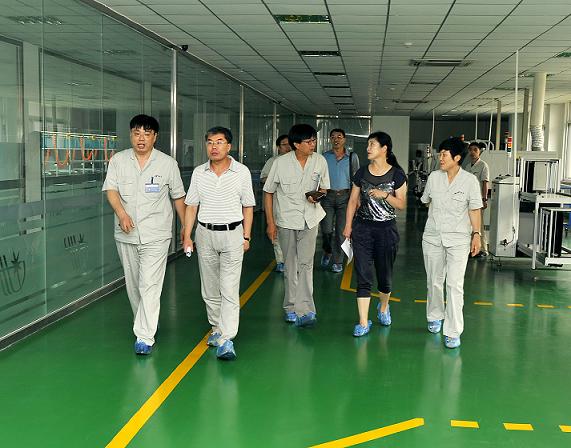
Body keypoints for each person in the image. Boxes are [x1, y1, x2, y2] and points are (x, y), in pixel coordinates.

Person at [102, 114, 186, 355]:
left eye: (146, 134)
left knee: (150, 284)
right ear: (131, 135)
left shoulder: (167, 164)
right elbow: (111, 190)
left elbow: (178, 197)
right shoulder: (118, 160)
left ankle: (144, 336)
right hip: (126, 234)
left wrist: (185, 228)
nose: (141, 138)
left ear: (155, 137)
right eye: (137, 133)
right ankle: (147, 321)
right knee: (134, 285)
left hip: (157, 234)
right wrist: (121, 214)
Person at [183, 126, 255, 361]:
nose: (214, 147)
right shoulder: (199, 173)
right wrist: (187, 235)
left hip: (233, 234)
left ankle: (226, 339)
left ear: (229, 146)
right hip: (205, 234)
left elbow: (248, 206)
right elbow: (191, 206)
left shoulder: (241, 172)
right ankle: (216, 327)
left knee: (229, 288)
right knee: (210, 288)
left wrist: (246, 236)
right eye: (210, 142)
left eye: (219, 142)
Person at [263, 124, 330, 326]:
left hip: (310, 219)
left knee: (306, 264)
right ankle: (291, 307)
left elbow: (324, 188)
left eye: (314, 140)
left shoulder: (320, 161)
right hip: (286, 220)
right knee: (290, 265)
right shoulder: (280, 163)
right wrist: (270, 223)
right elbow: (268, 193)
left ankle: (306, 310)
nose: (313, 144)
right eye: (309, 141)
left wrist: (317, 196)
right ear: (296, 144)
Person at [342, 132, 407, 337]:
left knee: (384, 277)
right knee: (363, 275)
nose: (368, 148)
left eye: (372, 144)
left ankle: (383, 307)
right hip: (362, 229)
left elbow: (401, 204)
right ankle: (363, 321)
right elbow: (353, 201)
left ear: (384, 149)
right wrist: (348, 226)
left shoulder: (397, 175)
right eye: (368, 144)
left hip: (386, 231)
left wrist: (384, 195)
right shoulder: (361, 173)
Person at [421, 137, 483, 349]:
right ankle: (434, 316)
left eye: (444, 155)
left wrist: (477, 235)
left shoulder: (469, 181)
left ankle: (453, 331)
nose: (440, 158)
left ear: (456, 158)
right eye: (440, 154)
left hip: (458, 239)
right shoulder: (433, 178)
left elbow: (474, 210)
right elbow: (426, 201)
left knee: (455, 285)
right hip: (433, 237)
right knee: (434, 281)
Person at [321, 128, 360, 273]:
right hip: (327, 197)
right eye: (333, 137)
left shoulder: (352, 157)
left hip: (345, 197)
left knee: (341, 231)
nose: (336, 139)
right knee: (326, 229)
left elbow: (357, 179)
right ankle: (327, 250)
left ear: (344, 139)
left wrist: (357, 200)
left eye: (339, 137)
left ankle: (337, 261)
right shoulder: (324, 157)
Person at [260, 135, 292, 273]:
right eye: (284, 144)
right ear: (278, 147)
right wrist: (276, 179)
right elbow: (263, 178)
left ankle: (293, 260)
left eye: (290, 144)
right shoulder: (273, 161)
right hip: (276, 201)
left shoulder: (297, 161)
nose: (288, 147)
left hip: (293, 203)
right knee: (277, 231)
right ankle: (280, 261)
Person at [468, 141, 490, 257]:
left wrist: (484, 199)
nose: (472, 152)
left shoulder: (483, 165)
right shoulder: (467, 166)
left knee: (478, 225)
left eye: (475, 150)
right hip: (468, 200)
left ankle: (483, 249)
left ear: (480, 151)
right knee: (469, 225)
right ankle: (471, 248)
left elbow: (485, 183)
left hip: (478, 200)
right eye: (470, 150)